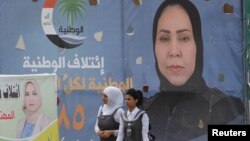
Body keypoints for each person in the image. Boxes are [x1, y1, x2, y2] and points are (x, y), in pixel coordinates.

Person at [143, 0, 245, 140]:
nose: (174, 51)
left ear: (198, 45)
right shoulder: (146, 110)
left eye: (184, 38)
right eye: (164, 38)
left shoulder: (225, 109)